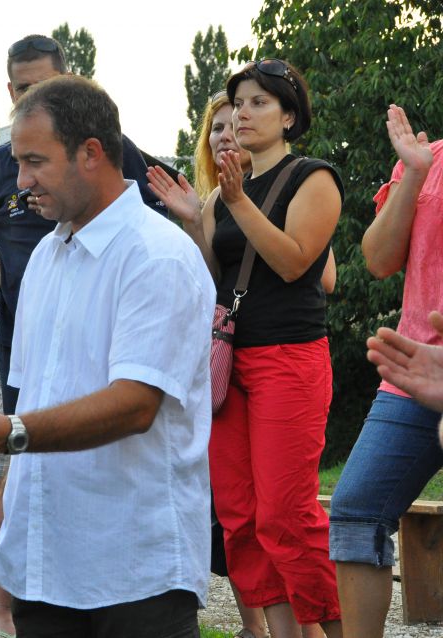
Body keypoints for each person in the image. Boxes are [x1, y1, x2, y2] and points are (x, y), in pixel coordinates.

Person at [0, 75, 214, 638]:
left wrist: (6, 433)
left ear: (92, 154)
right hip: (48, 565)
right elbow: (36, 394)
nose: (20, 182)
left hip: (135, 570)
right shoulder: (48, 257)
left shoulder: (158, 255)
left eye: (34, 161)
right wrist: (8, 502)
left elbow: (135, 406)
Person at [147, 90, 334, 638]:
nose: (235, 123)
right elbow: (213, 280)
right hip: (229, 363)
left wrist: (237, 201)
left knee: (285, 516)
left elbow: (304, 266)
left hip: (287, 355)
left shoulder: (309, 178)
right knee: (240, 515)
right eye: (226, 117)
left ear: (289, 117)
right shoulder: (219, 199)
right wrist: (194, 221)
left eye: (253, 106)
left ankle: (331, 630)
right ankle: (280, 634)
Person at [0, 34, 166, 416]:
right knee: (24, 442)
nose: (26, 179)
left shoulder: (111, 147)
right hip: (22, 333)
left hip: (95, 330)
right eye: (24, 89)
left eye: (44, 86)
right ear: (10, 91)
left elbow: (150, 226)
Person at [329, 104, 442, 638]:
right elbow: (376, 258)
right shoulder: (426, 159)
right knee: (355, 509)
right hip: (412, 373)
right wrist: (414, 172)